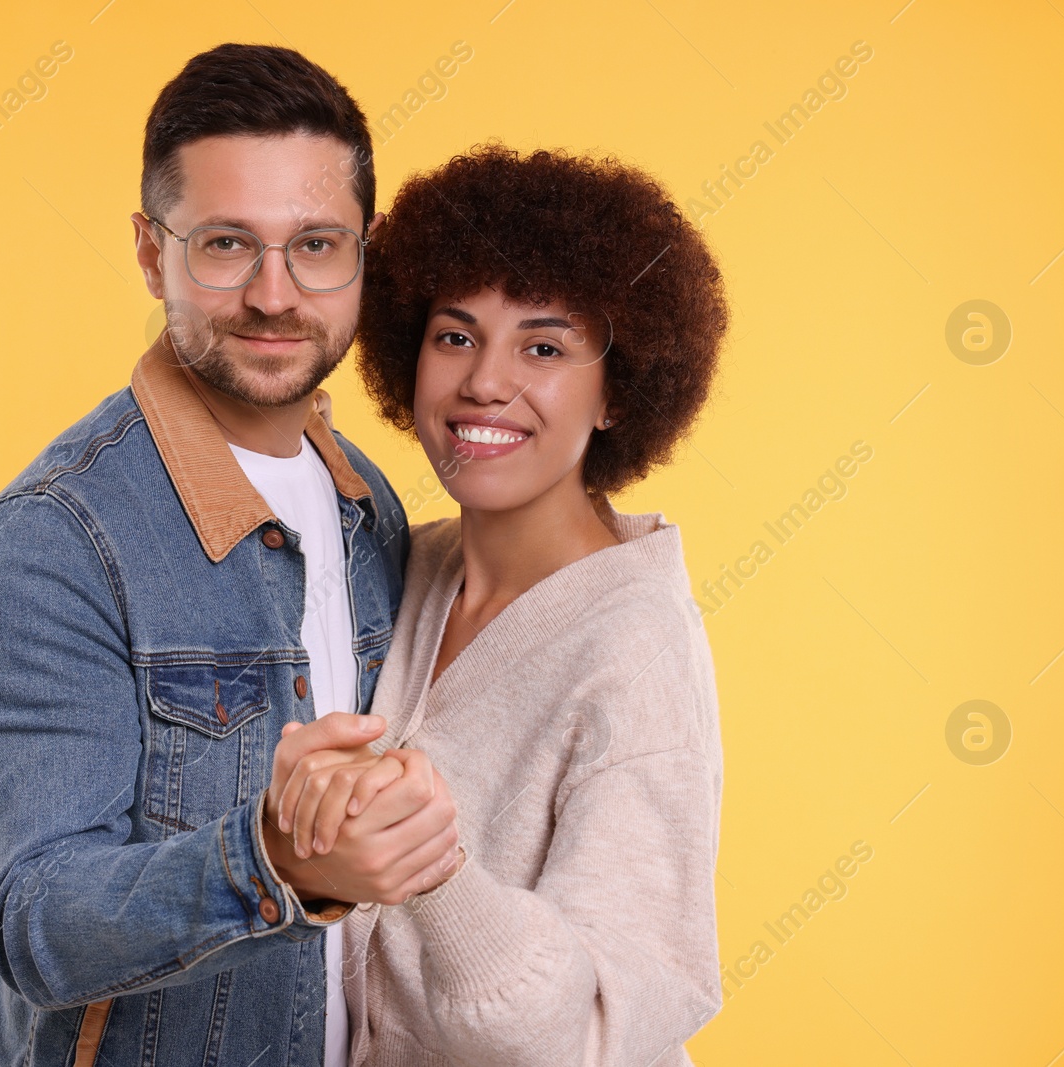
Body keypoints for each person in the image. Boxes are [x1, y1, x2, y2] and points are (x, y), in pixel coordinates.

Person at [0, 44, 459, 1067]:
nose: (275, 293)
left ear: (367, 248)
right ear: (150, 250)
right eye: (227, 244)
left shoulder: (372, 506)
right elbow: (39, 926)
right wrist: (267, 852)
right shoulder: (51, 542)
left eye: (315, 244)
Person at [271, 144, 731, 1065]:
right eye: (454, 335)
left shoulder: (633, 651)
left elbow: (584, 1036)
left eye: (545, 346)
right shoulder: (415, 565)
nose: (485, 380)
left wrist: (435, 869)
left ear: (617, 393)